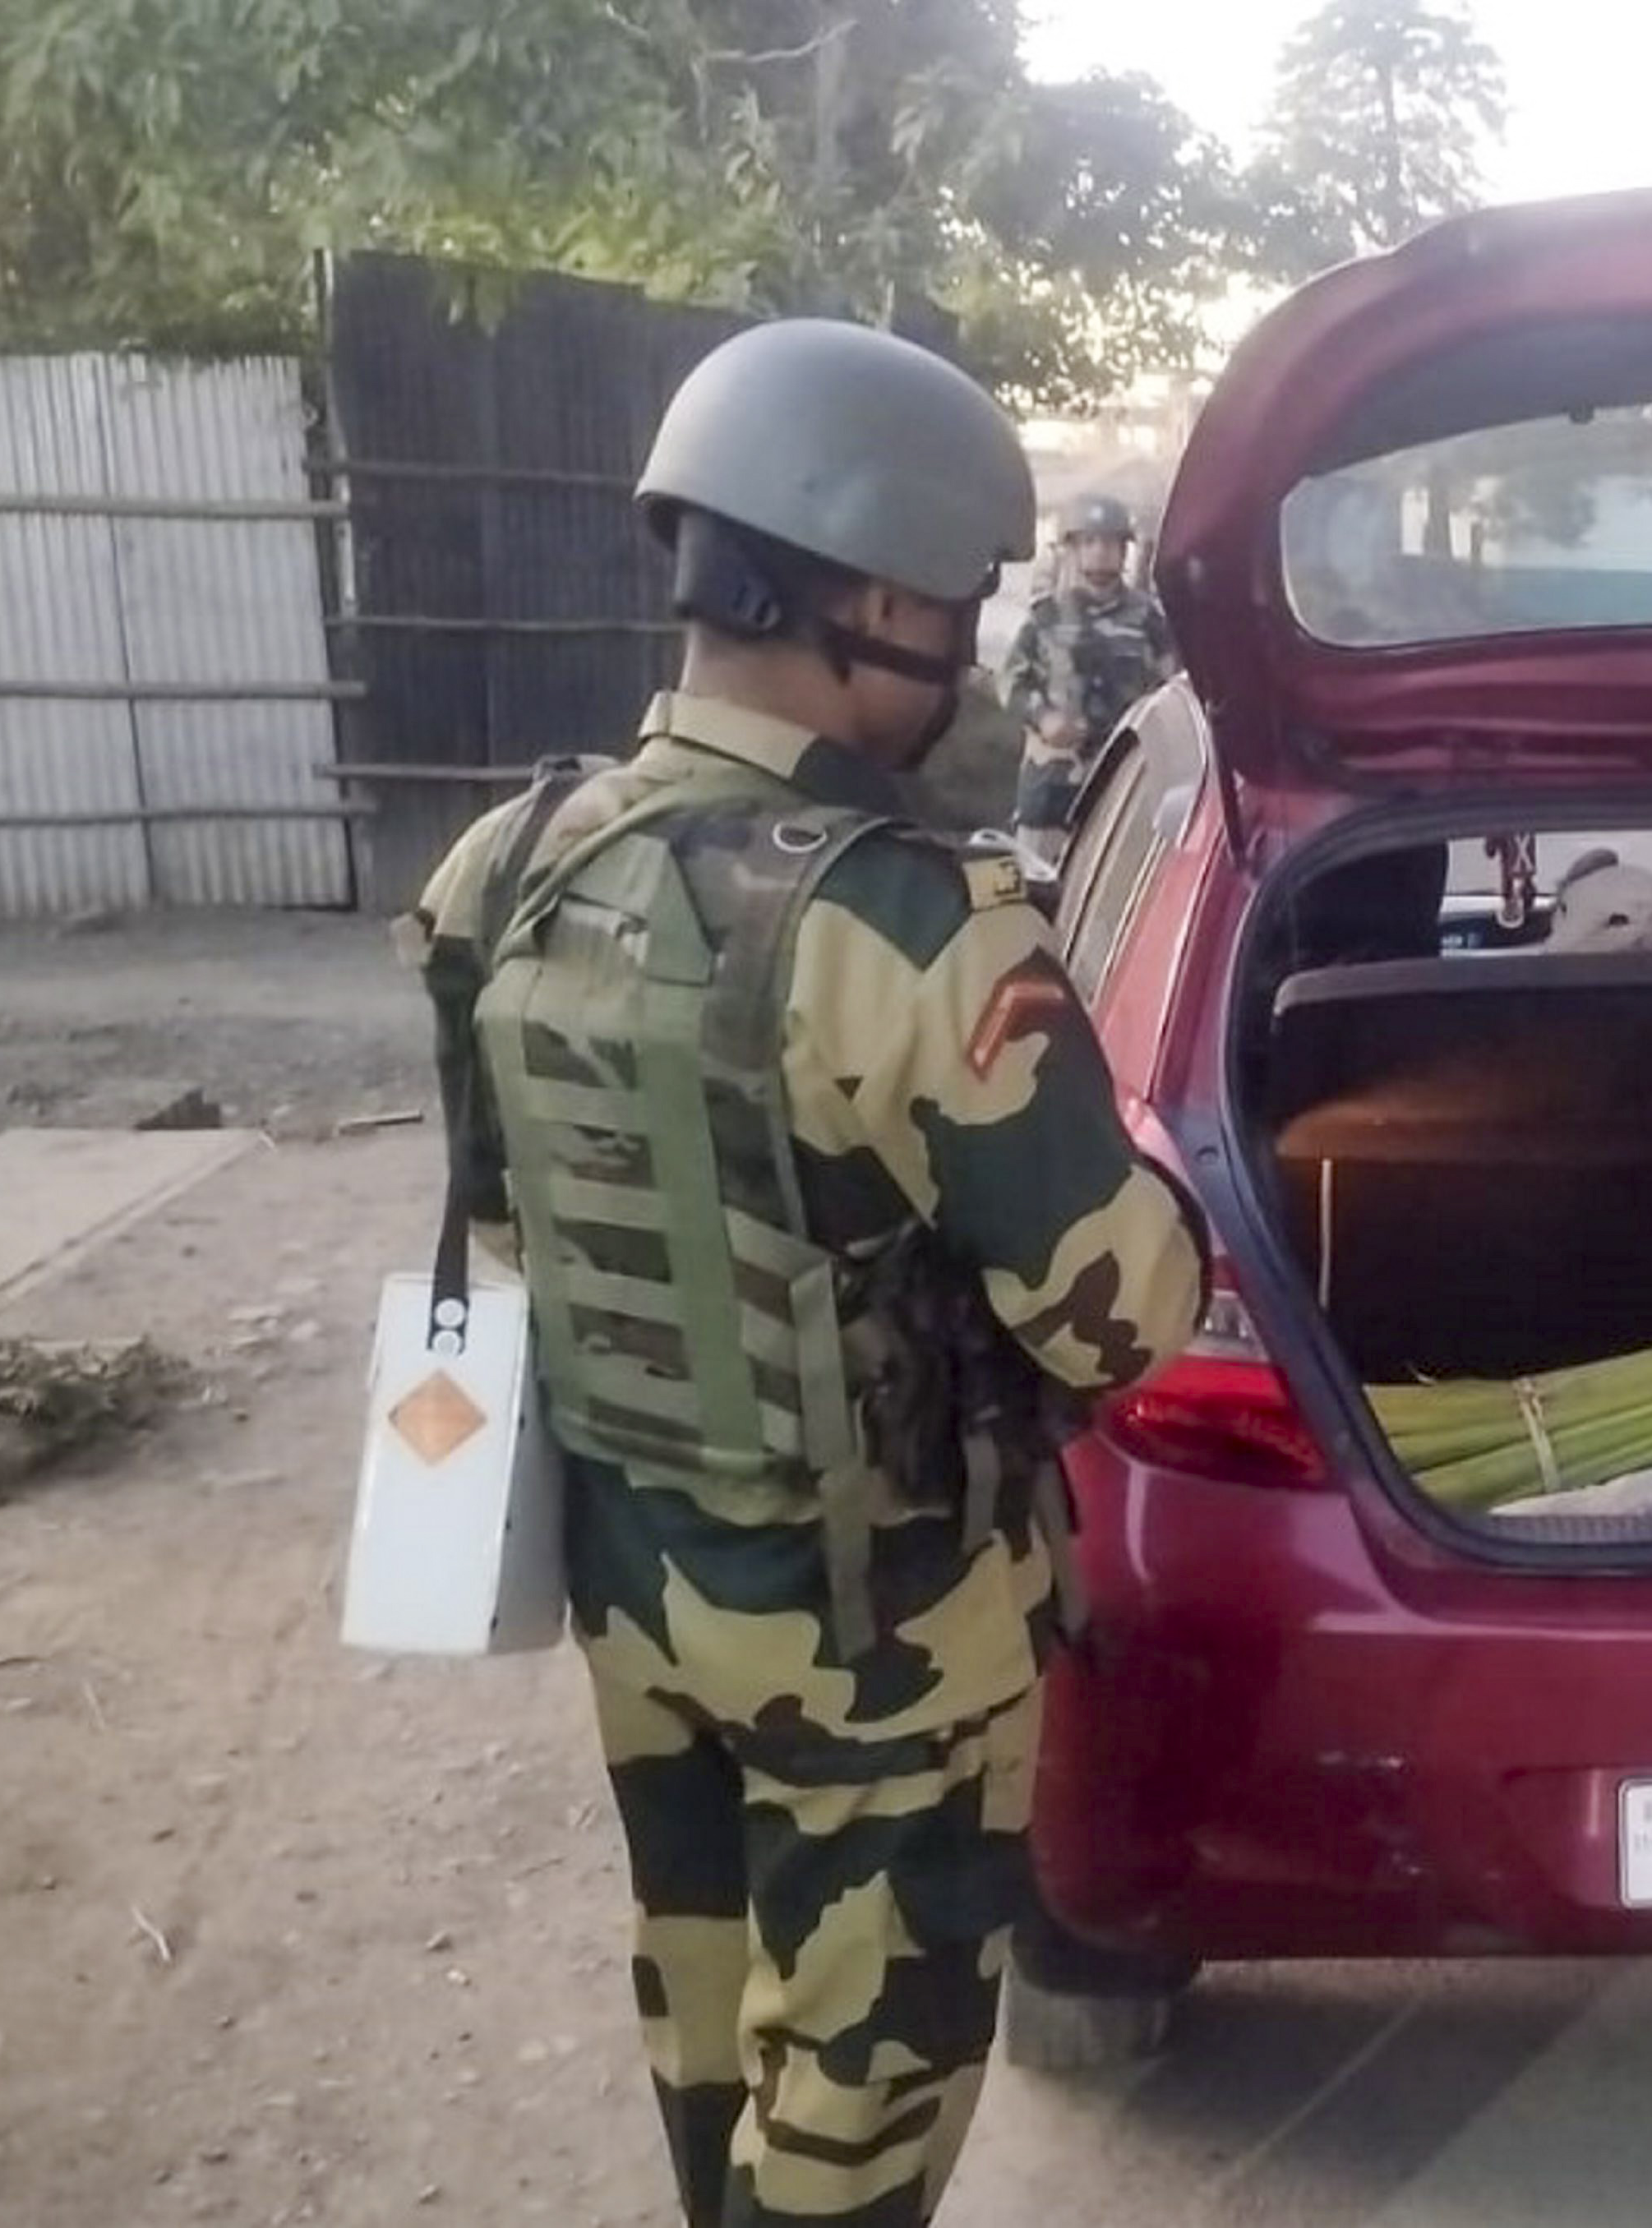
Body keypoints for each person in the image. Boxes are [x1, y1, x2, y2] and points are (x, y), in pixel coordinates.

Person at [400, 319, 1207, 2228]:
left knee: (708, 2007)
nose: (968, 645)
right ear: (856, 594)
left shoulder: (499, 870)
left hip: (639, 1575)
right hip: (881, 1635)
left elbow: (512, 1230)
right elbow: (1124, 1313)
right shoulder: (903, 928)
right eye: (949, 599)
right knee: (861, 2086)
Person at [999, 492, 1179, 859]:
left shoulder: (1149, 620)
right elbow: (1011, 683)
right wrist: (1043, 716)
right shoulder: (1045, 618)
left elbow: (1174, 690)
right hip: (1053, 787)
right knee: (1037, 892)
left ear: (1124, 551)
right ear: (1072, 548)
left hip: (1123, 790)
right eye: (1090, 541)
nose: (1100, 551)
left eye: (1111, 542)